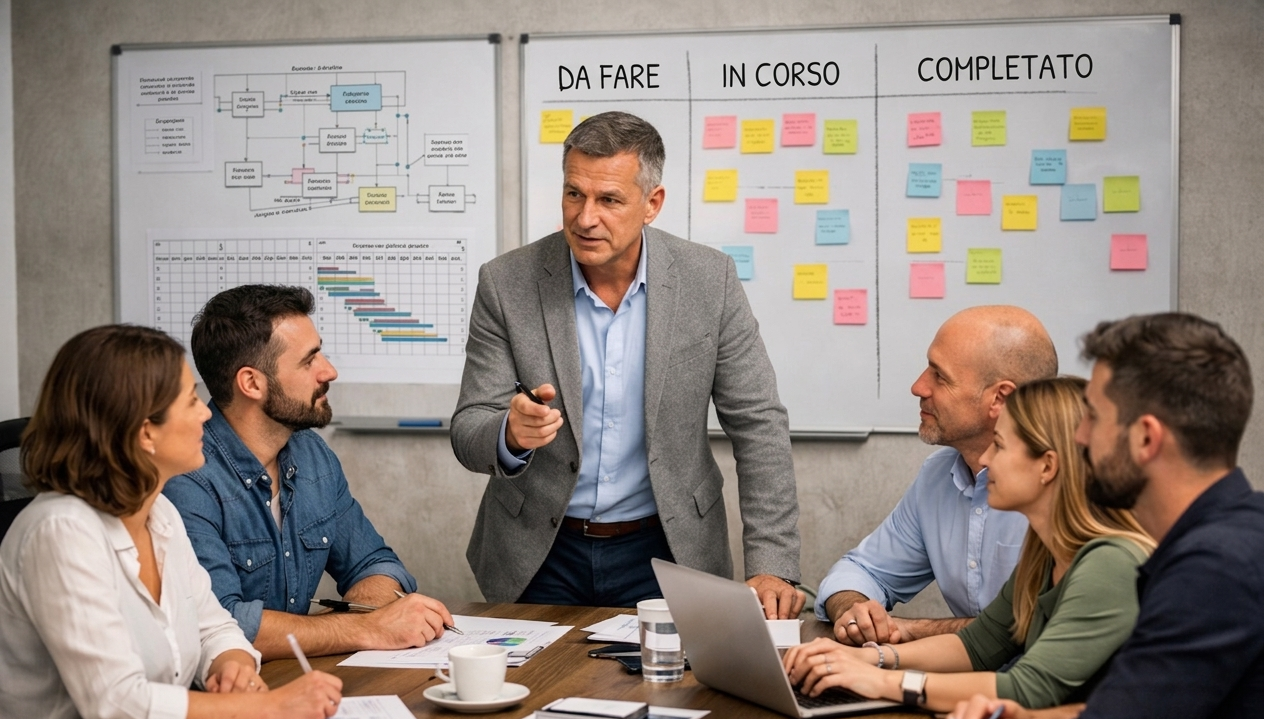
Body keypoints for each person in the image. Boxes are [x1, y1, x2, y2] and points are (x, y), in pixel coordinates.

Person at [450, 111, 802, 617]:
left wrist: (772, 562)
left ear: (652, 204)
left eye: (609, 200)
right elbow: (468, 429)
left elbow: (758, 424)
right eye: (574, 193)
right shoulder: (507, 283)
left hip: (667, 546)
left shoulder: (710, 280)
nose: (585, 217)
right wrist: (509, 433)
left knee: (675, 692)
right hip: (539, 552)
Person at [936, 313, 1264, 719]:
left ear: (1146, 439)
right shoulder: (1229, 541)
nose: (1080, 438)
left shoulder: (1211, 574)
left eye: (1093, 417)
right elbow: (1160, 716)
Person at [0, 325, 342, 719]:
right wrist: (270, 707)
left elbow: (214, 625)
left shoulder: (158, 510)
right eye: (189, 401)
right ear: (145, 432)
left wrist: (232, 666)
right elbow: (118, 708)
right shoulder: (61, 532)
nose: (206, 413)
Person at [785, 376, 1153, 712]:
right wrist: (870, 659)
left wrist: (882, 681)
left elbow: (1027, 688)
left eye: (1000, 446)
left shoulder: (1109, 563)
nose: (987, 461)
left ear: (1047, 466)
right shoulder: (1044, 554)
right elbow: (977, 646)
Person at [164, 286, 454, 661]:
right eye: (308, 360)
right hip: (228, 697)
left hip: (299, 683)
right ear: (252, 383)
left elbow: (375, 565)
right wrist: (367, 627)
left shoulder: (312, 454)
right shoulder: (187, 479)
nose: (329, 371)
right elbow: (221, 626)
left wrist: (350, 622)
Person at [816, 305, 1058, 644]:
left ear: (1001, 398)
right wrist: (853, 608)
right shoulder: (939, 475)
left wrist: (909, 630)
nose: (918, 387)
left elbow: (1039, 629)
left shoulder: (1068, 488)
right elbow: (864, 570)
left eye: (939, 376)